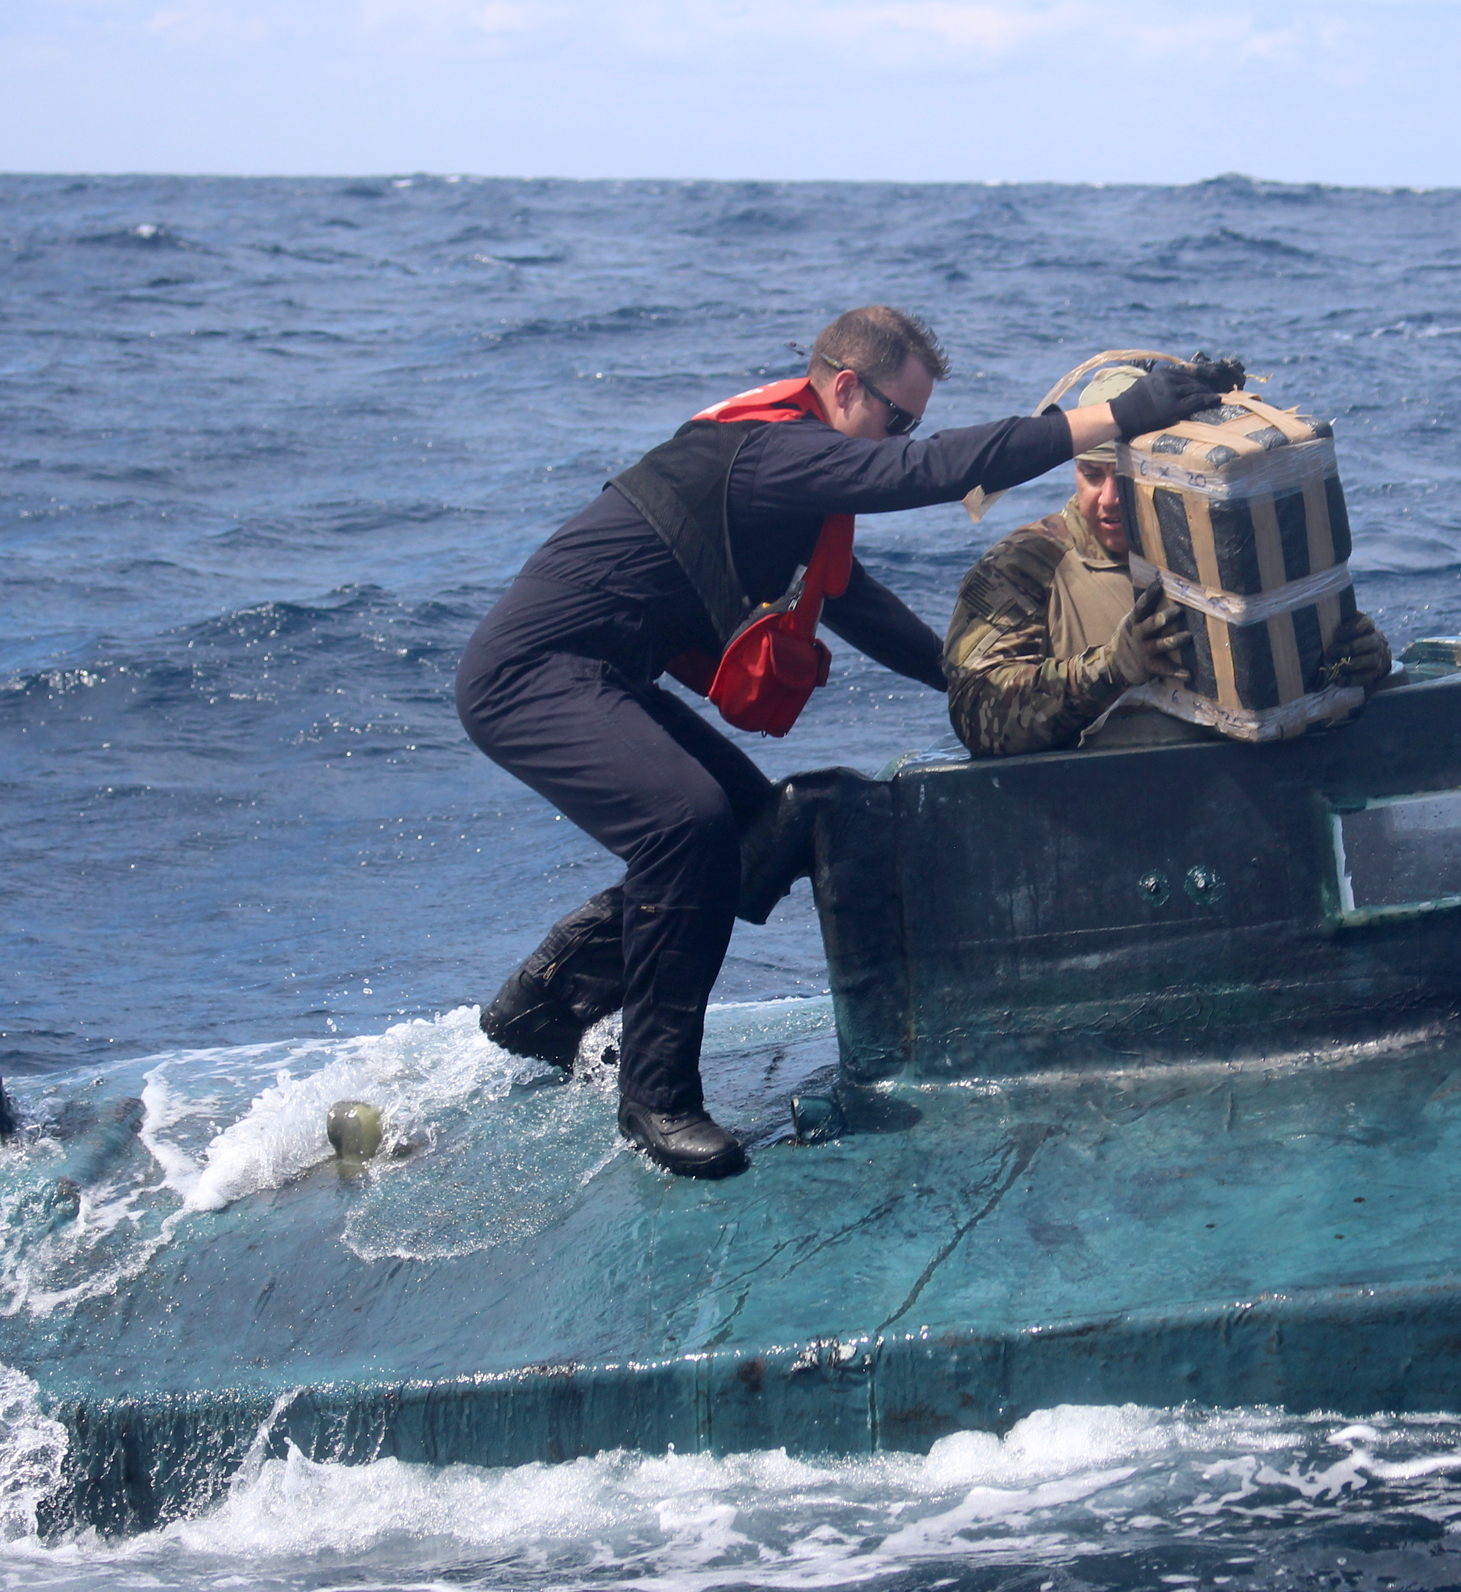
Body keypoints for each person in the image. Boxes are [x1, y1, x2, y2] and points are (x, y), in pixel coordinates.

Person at [454, 308, 1223, 1179]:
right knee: (686, 820)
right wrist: (1123, 414)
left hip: (596, 673)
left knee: (755, 821)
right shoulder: (773, 455)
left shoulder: (797, 491)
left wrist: (967, 680)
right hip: (531, 671)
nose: (902, 439)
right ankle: (656, 1097)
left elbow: (851, 601)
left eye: (912, 425)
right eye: (896, 419)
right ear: (845, 387)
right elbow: (935, 471)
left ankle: (550, 1006)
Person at [944, 365, 1390, 757]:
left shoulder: (1220, 548)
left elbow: (1287, 672)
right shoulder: (1024, 566)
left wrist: (1361, 663)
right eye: (1092, 476)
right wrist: (1112, 669)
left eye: (1125, 477)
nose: (1110, 499)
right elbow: (976, 718)